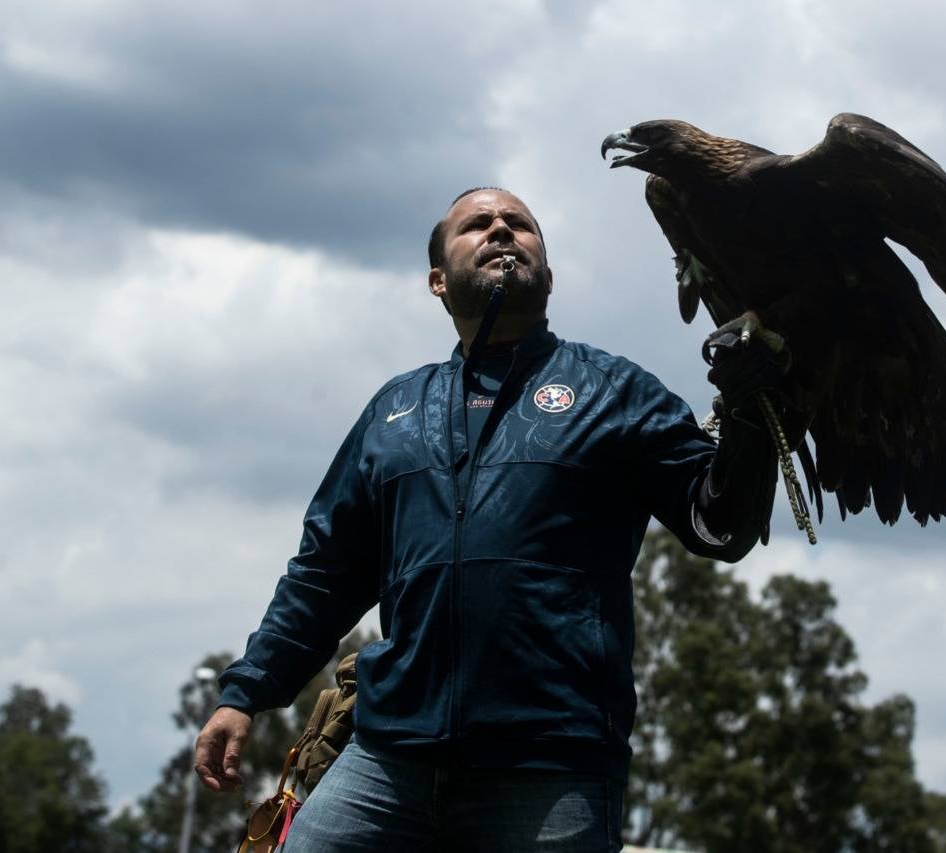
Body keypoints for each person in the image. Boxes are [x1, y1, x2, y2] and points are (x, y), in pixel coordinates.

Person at [193, 188, 780, 851]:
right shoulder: (395, 411)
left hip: (549, 767)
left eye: (520, 224)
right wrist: (245, 692)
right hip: (388, 761)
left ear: (548, 274)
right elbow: (325, 572)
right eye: (478, 224)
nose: (502, 227)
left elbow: (720, 525)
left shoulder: (614, 391)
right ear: (438, 279)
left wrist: (750, 408)